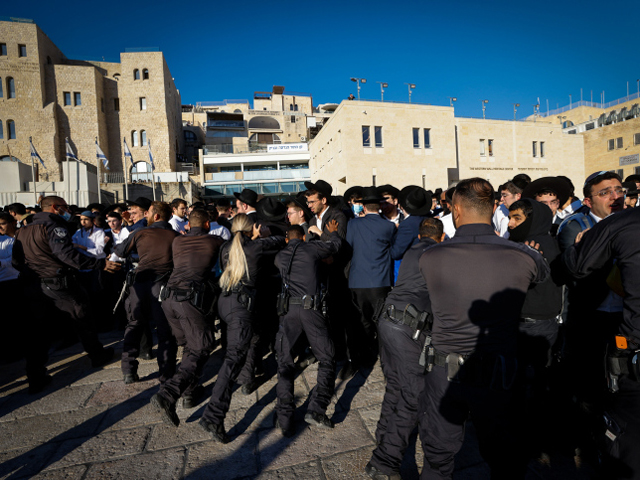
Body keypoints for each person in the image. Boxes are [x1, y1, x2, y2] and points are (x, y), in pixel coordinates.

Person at [417, 178, 549, 479]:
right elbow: (541, 275)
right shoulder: (524, 257)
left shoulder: (430, 256)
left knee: (438, 456)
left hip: (445, 371)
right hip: (500, 372)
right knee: (504, 458)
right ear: (492, 209)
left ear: (455, 210)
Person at [562, 206, 640, 479]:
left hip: (634, 349)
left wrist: (578, 245)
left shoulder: (623, 222)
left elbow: (579, 265)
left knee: (629, 441)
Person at [12, 196, 119, 393]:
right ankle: (97, 355)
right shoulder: (53, 226)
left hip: (34, 285)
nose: (68, 210)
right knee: (81, 317)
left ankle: (35, 374)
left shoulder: (22, 231)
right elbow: (67, 255)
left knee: (38, 331)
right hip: (58, 282)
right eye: (64, 207)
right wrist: (100, 264)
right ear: (54, 208)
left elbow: (16, 262)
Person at [365, 217, 444, 480]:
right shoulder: (436, 253)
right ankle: (385, 460)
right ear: (441, 236)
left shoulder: (412, 250)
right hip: (407, 327)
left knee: (396, 384)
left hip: (387, 321)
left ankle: (383, 435)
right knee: (415, 393)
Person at [199, 214, 285, 443]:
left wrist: (254, 235)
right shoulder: (257, 246)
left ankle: (216, 411)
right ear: (252, 229)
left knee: (240, 348)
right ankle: (213, 417)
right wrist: (263, 234)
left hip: (225, 302)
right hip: (241, 307)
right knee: (232, 362)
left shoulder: (227, 247)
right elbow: (279, 240)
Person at [150, 209, 225, 426]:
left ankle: (190, 393)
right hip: (188, 301)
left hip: (168, 299)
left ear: (188, 225)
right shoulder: (215, 241)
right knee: (201, 347)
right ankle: (168, 395)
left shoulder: (177, 242)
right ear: (208, 224)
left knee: (189, 346)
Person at [507, 198, 563, 461]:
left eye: (517, 218)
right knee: (536, 381)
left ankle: (528, 438)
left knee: (527, 384)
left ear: (531, 219)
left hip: (532, 322)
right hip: (539, 321)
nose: (510, 223)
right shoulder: (541, 240)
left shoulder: (535, 246)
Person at [273, 222, 342, 435]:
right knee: (327, 357)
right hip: (311, 309)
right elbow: (335, 246)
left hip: (289, 311)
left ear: (287, 239)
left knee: (284, 362)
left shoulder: (279, 256)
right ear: (302, 237)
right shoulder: (310, 248)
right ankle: (317, 408)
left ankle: (284, 418)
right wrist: (332, 232)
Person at [114, 201, 179, 384]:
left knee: (134, 326)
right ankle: (166, 373)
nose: (145, 216)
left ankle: (128, 370)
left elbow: (120, 251)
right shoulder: (175, 236)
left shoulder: (141, 233)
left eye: (148, 213)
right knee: (165, 332)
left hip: (140, 287)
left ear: (156, 216)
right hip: (163, 288)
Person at [346, 186, 397, 375]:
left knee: (361, 322)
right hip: (381, 281)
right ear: (380, 207)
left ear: (364, 207)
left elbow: (348, 247)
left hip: (357, 280)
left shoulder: (352, 225)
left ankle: (363, 357)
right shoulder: (389, 226)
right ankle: (385, 360)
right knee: (381, 322)